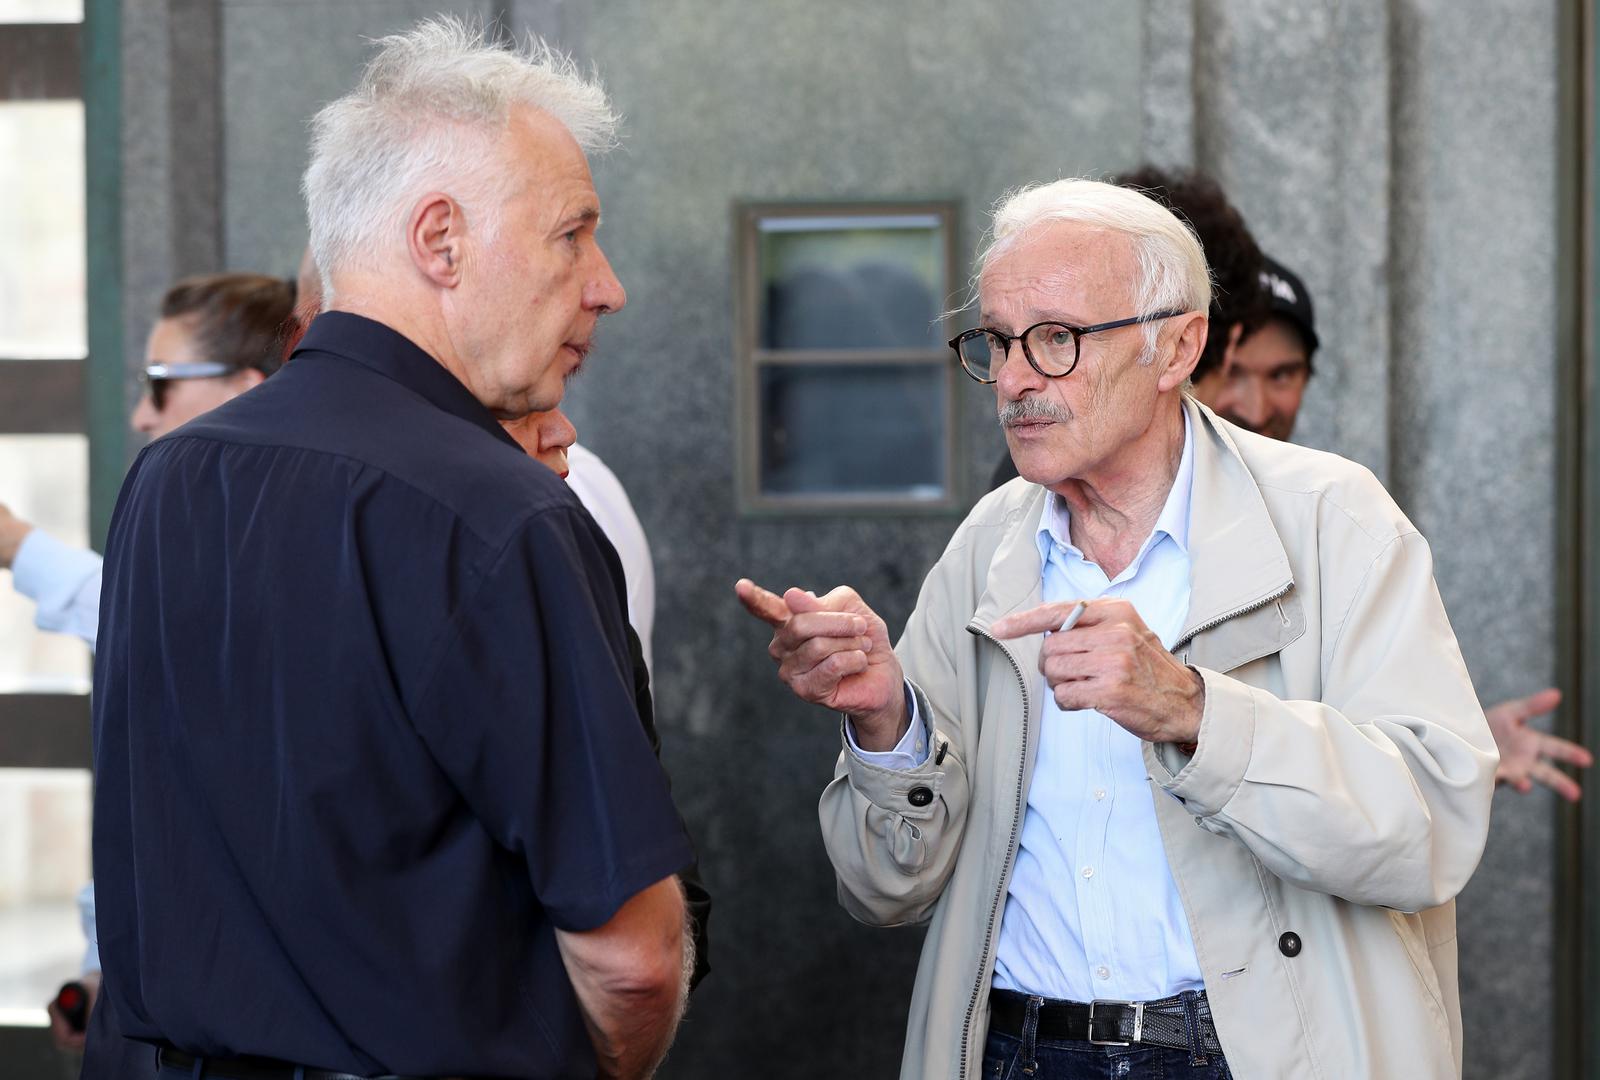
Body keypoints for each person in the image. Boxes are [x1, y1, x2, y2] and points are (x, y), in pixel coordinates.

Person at [738, 178, 1496, 1078]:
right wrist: (886, 724)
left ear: (1177, 347)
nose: (1013, 379)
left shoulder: (1333, 519)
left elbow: (1432, 829)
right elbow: (883, 889)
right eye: (997, 342)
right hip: (1019, 1052)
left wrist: (1193, 710)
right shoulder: (990, 543)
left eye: (1057, 339)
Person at [90, 18, 692, 1080]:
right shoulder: (504, 516)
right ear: (439, 240)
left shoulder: (167, 478)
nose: (607, 284)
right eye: (572, 234)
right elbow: (632, 961)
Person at [0, 272, 296, 1054]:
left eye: (161, 384)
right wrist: (102, 969)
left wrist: (19, 544)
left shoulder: (284, 551)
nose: (140, 414)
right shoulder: (210, 524)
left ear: (247, 388)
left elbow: (144, 623)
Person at [1196, 252, 1592, 799]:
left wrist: (1453, 749)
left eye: (1282, 374)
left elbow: (1370, 738)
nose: (1256, 406)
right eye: (1234, 372)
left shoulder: (1342, 515)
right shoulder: (1124, 516)